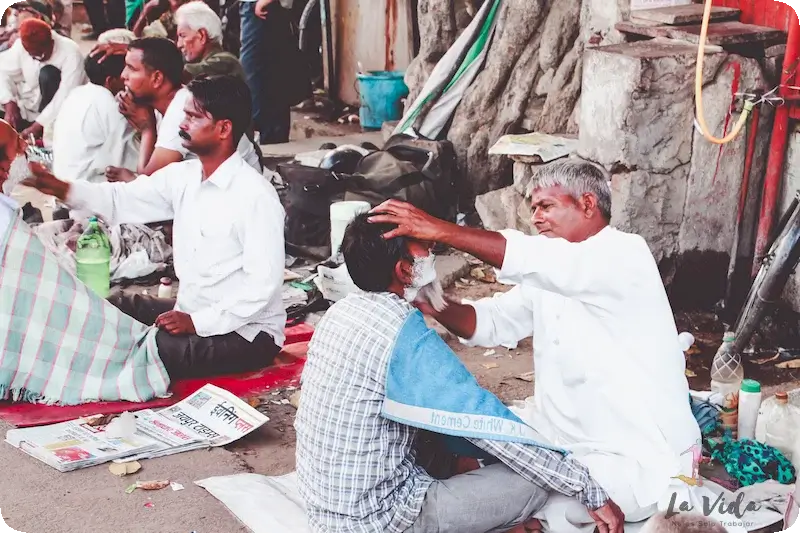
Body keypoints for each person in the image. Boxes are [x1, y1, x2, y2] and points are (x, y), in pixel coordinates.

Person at [368, 159, 702, 530]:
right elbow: (490, 322)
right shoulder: (551, 269)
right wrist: (433, 304)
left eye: (546, 206)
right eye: (533, 209)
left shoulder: (625, 254)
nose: (537, 218)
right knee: (465, 441)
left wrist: (440, 230)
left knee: (544, 495)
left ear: (588, 205)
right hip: (557, 435)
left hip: (634, 457)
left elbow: (524, 256)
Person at [295, 212, 626, 533]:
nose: (432, 252)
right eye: (424, 246)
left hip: (324, 506)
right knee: (533, 483)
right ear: (404, 270)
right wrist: (586, 487)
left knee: (456, 437)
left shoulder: (339, 314)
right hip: (380, 519)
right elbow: (479, 416)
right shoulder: (400, 331)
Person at [23, 74, 286, 381]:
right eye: (184, 115)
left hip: (247, 334)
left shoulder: (255, 197)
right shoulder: (184, 176)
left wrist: (197, 322)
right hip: (192, 309)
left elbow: (261, 287)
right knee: (111, 306)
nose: (182, 125)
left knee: (139, 350)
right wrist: (59, 187)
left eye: (193, 117)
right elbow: (122, 198)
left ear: (224, 128)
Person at [114, 37, 260, 179]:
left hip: (237, 189)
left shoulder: (182, 109)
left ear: (157, 78)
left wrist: (147, 129)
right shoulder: (162, 103)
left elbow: (149, 182)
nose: (123, 75)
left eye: (132, 69)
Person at [51, 52, 139, 186]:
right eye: (125, 73)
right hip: (86, 185)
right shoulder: (113, 107)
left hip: (62, 178)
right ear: (110, 81)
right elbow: (130, 159)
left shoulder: (76, 93)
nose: (127, 78)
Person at [0, 18, 86, 139]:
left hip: (58, 112)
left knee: (48, 74)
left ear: (51, 42)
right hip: (30, 105)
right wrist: (9, 104)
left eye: (40, 54)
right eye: (32, 55)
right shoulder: (22, 45)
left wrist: (39, 125)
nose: (36, 59)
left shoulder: (71, 53)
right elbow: (2, 70)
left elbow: (65, 95)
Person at [239, 0, 309, 144]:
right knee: (268, 77)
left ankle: (269, 142)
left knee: (259, 78)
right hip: (255, 9)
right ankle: (271, 141)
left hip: (264, 10)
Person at [175, 1, 244, 80]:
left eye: (183, 36)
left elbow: (184, 74)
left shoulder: (226, 61)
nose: (179, 44)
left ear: (202, 35)